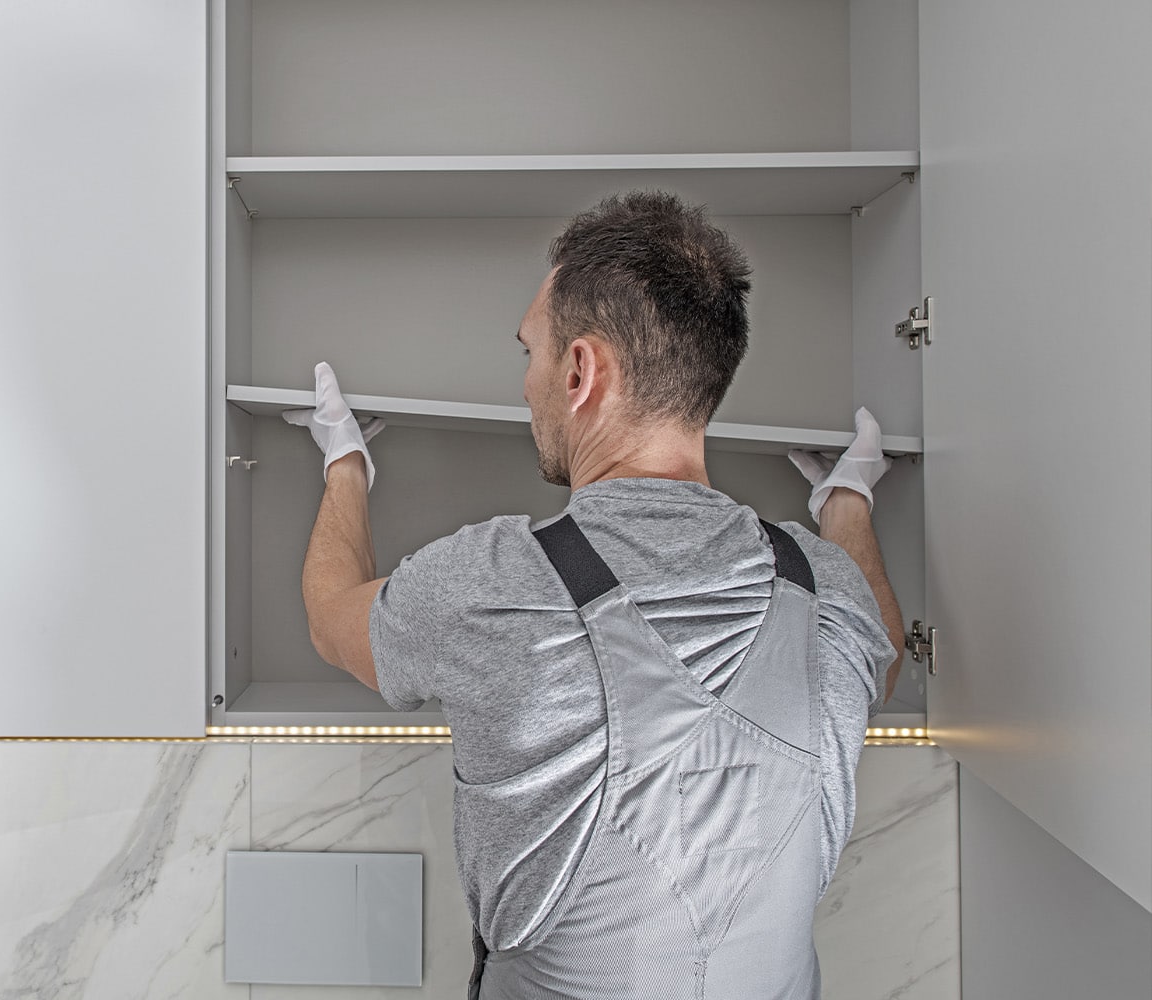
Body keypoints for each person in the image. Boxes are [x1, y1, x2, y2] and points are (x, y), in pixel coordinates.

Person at [282, 191, 904, 1000]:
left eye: (531, 353)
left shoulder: (499, 586)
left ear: (580, 373)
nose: (528, 382)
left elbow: (332, 622)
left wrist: (345, 464)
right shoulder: (830, 591)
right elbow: (882, 655)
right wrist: (847, 506)